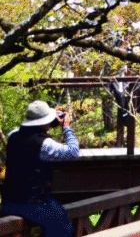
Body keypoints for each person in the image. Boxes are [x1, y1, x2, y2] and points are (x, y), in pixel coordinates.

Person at [1, 100, 80, 237]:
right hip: (33, 204)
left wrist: (49, 120)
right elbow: (72, 152)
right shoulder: (43, 144)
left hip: (10, 202)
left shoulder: (13, 136)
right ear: (45, 122)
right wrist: (66, 127)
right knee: (64, 228)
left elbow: (25, 130)